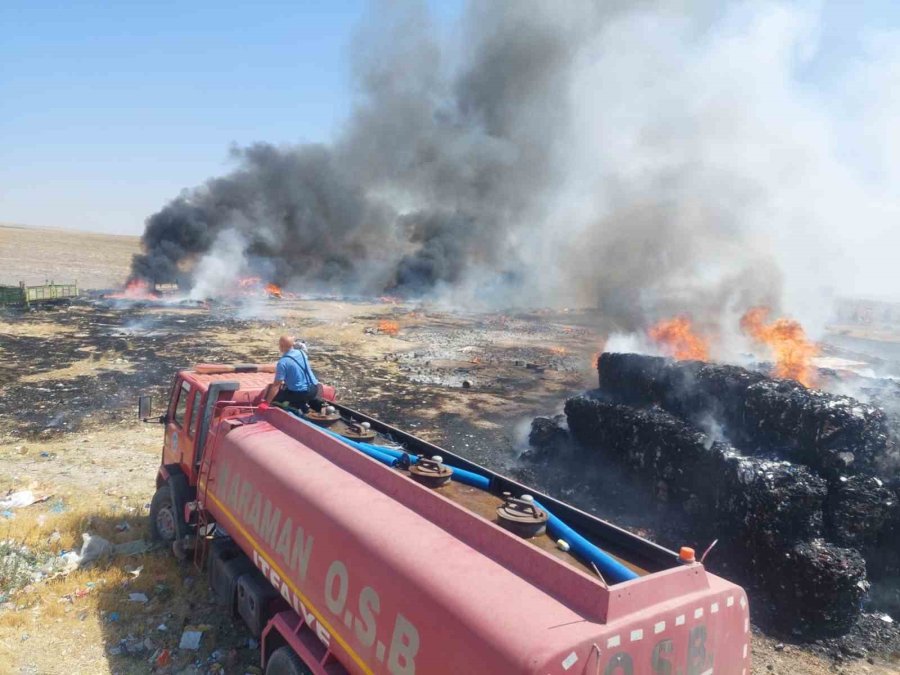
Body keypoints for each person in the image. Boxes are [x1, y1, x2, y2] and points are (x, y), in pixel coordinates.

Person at [266, 335, 320, 411]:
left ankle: (295, 406)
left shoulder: (282, 362)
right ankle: (313, 404)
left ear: (281, 346)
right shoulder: (302, 353)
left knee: (274, 395)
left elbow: (276, 386)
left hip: (300, 393)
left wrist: (266, 403)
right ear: (293, 345)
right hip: (314, 389)